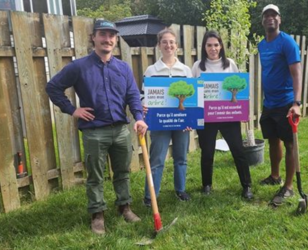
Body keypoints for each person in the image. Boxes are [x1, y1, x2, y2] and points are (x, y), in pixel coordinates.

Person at [46, 20, 148, 235]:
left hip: (121, 130)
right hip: (94, 131)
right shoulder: (79, 66)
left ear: (116, 39)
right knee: (95, 175)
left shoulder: (123, 68)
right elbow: (53, 87)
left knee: (122, 172)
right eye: (103, 34)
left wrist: (138, 117)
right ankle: (97, 214)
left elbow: (132, 96)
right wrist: (72, 109)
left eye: (112, 35)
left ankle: (124, 206)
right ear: (93, 37)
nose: (107, 39)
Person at [192, 30, 253, 199]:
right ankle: (206, 185)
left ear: (221, 46)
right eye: (209, 45)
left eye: (216, 45)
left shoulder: (230, 64)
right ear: (204, 47)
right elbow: (193, 94)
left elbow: (240, 89)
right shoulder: (197, 66)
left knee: (238, 150)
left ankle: (247, 185)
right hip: (206, 117)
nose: (213, 48)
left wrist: (242, 111)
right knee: (207, 152)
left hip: (228, 116)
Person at [257, 4, 303, 206]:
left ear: (279, 19)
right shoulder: (261, 45)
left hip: (285, 103)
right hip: (269, 103)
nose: (270, 19)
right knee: (272, 140)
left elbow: (296, 73)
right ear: (262, 21)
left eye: (273, 15)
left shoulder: (287, 43)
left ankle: (290, 187)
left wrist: (297, 103)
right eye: (266, 16)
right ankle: (275, 176)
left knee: (290, 143)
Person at [142, 28, 192, 206]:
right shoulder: (151, 71)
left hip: (181, 123)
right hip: (159, 123)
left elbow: (192, 100)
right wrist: (144, 104)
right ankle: (150, 196)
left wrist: (190, 121)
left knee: (181, 158)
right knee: (156, 160)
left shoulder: (185, 70)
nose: (168, 45)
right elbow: (143, 95)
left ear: (176, 46)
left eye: (171, 42)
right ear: (159, 45)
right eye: (164, 42)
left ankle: (181, 190)